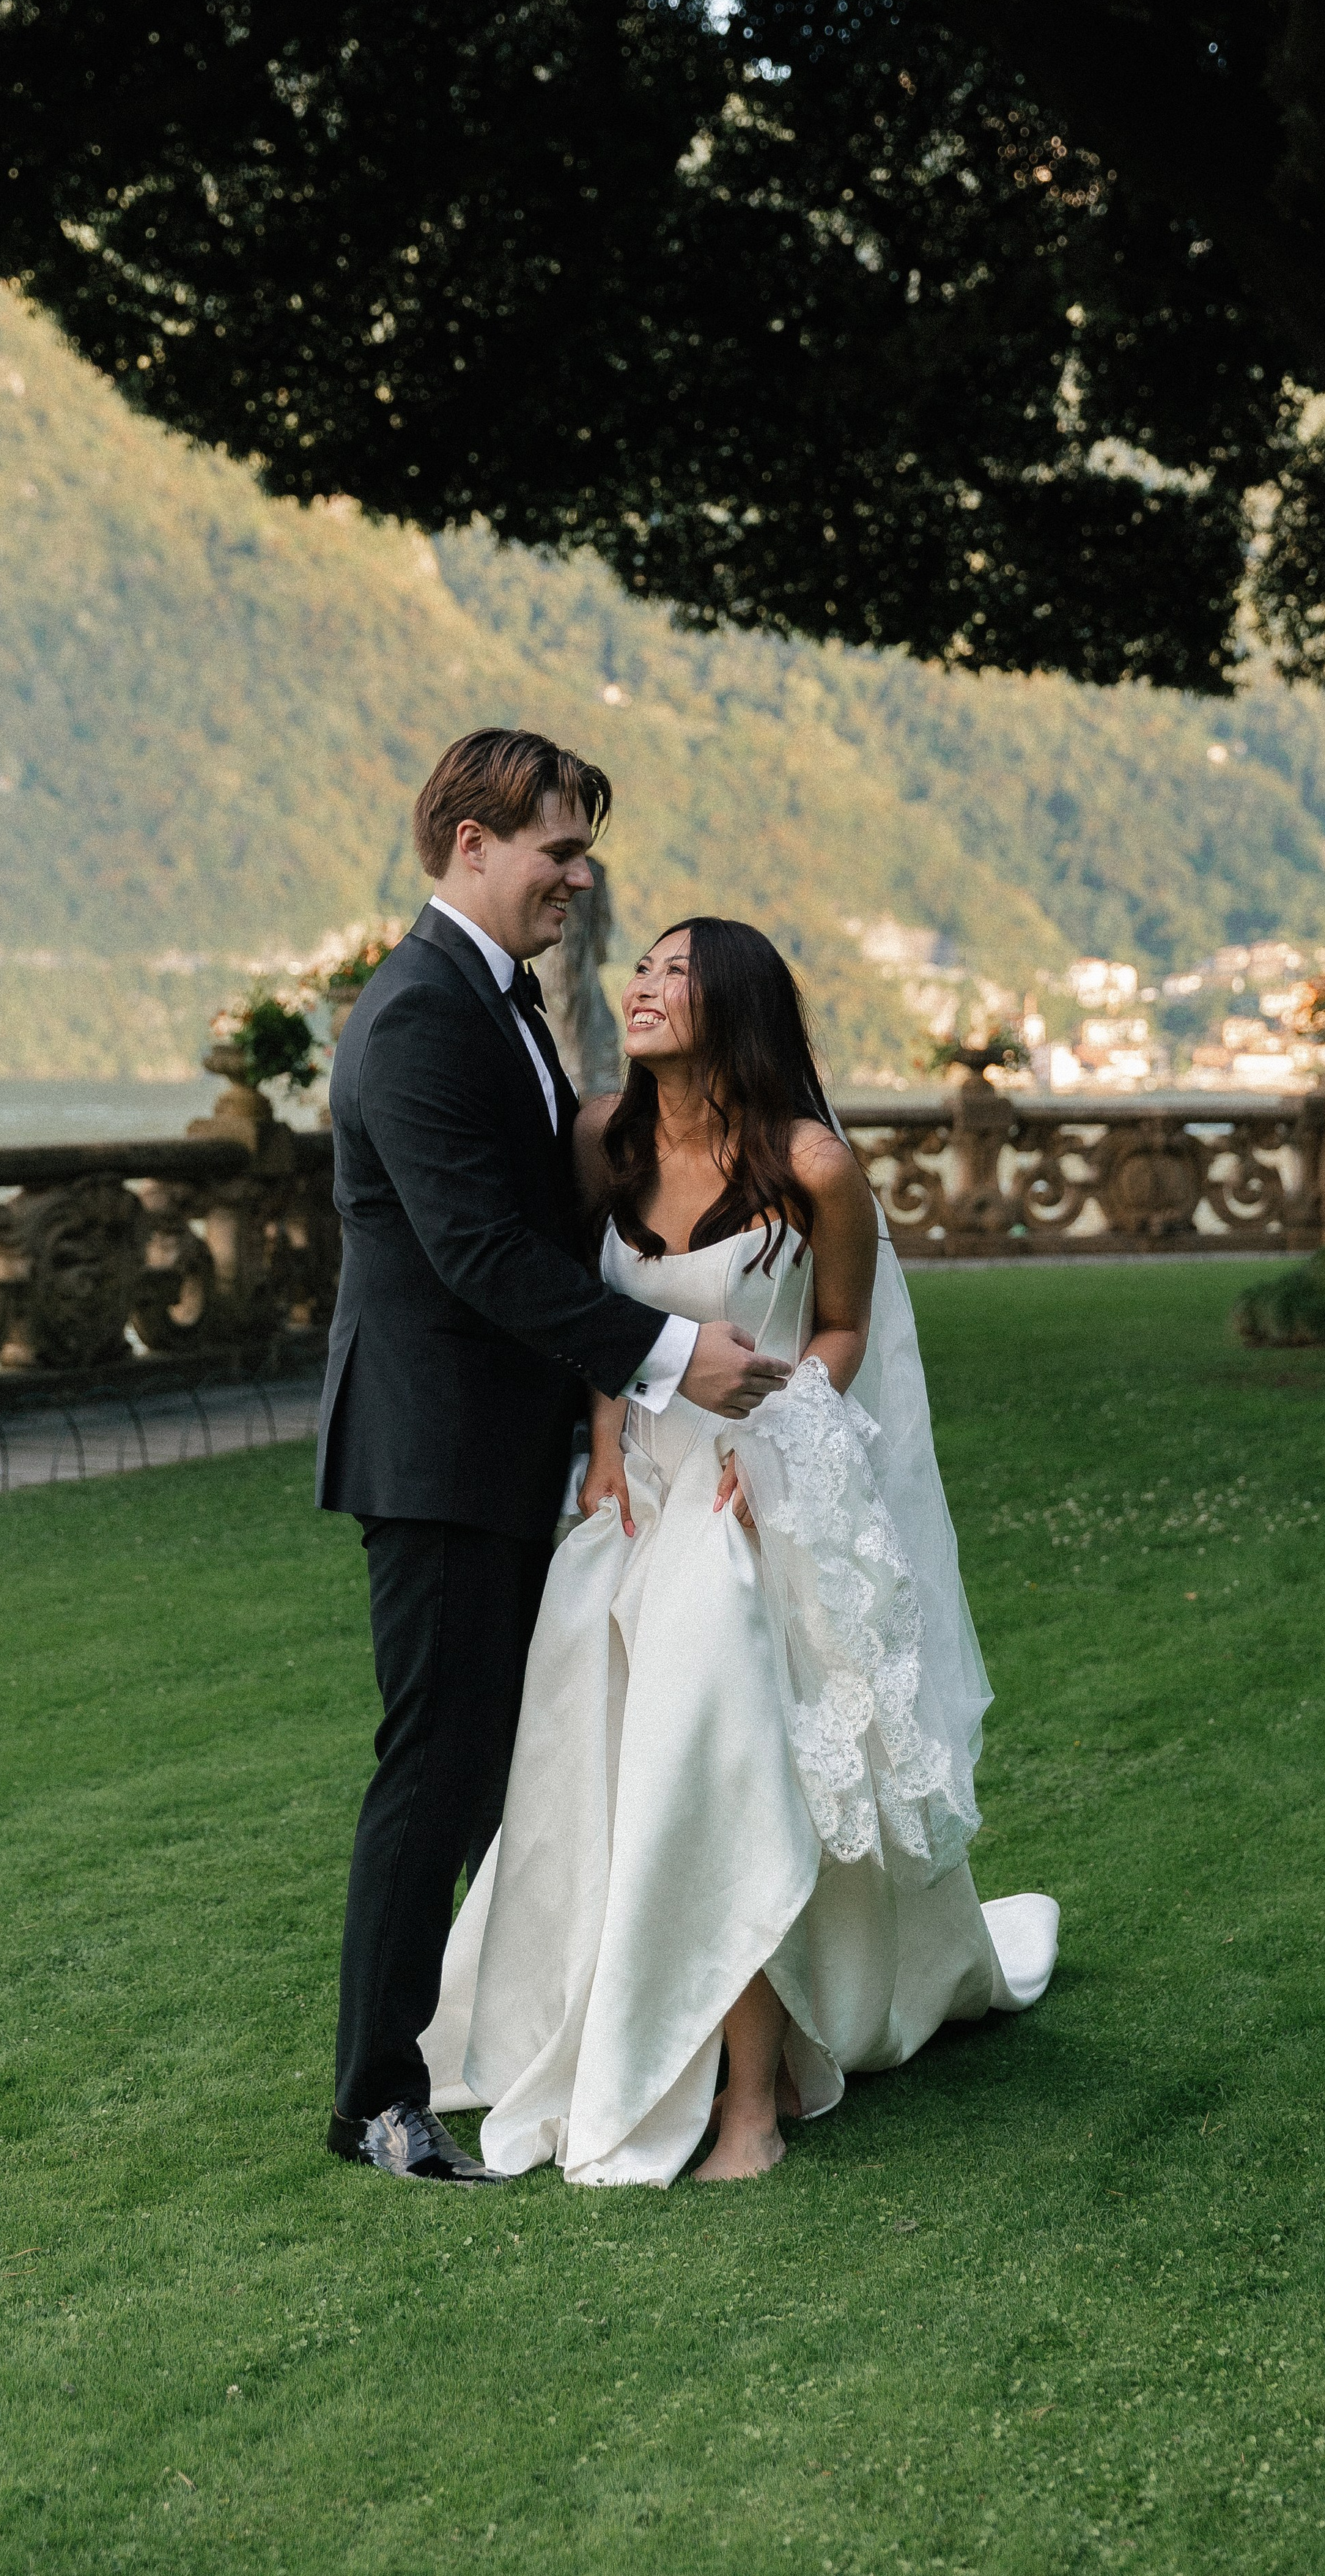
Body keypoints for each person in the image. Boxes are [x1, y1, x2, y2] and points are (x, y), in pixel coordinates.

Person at [421, 918, 1059, 2185]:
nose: (645, 988)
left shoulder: (815, 1166)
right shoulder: (607, 1141)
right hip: (634, 1504)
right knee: (593, 1769)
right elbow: (605, 1311)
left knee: (722, 1774)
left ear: (739, 1004)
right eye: (641, 969)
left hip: (743, 1505)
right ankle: (607, 2028)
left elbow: (842, 1330)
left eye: (675, 973)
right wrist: (604, 1445)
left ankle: (751, 2104)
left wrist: (784, 1459)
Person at [317, 735, 795, 2185]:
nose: (578, 883)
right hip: (437, 1456)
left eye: (582, 854)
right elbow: (471, 1251)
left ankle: (544, 2035)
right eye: (557, 853)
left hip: (504, 1447)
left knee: (490, 1769)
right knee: (436, 1774)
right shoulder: (415, 1021)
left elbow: (551, 1202)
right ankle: (376, 2096)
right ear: (468, 844)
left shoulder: (496, 1005)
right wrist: (662, 1362)